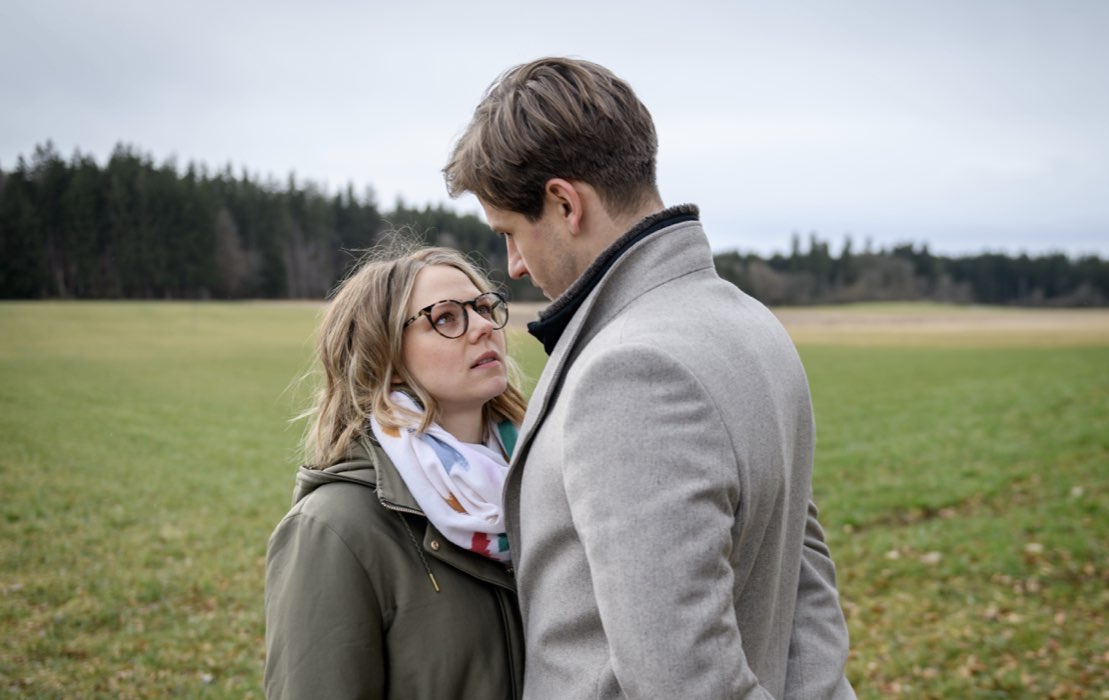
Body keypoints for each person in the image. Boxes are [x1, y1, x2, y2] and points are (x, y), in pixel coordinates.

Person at [444, 58, 855, 699]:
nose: (514, 266)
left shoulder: (632, 374)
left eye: (510, 233)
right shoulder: (752, 324)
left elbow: (684, 682)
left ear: (563, 203)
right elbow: (806, 596)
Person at [263, 246, 527, 699]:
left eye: (485, 307)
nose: (484, 326)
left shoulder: (541, 486)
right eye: (446, 318)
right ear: (383, 353)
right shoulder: (334, 528)